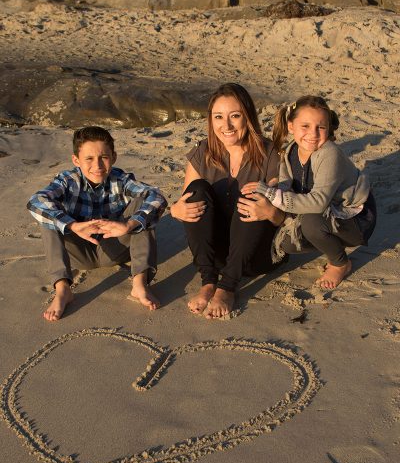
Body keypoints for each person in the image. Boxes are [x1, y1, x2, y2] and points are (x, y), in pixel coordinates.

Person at [27, 126, 167, 321]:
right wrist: (73, 226)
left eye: (104, 157)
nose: (98, 165)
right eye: (89, 159)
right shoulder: (68, 181)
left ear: (114, 157)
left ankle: (140, 284)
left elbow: (156, 195)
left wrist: (128, 225)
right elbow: (35, 201)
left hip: (115, 246)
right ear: (76, 160)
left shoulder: (121, 179)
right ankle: (62, 290)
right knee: (49, 216)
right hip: (78, 251)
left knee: (144, 210)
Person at [240, 95, 377, 289]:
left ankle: (340, 263)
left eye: (320, 127)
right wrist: (269, 193)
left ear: (328, 129)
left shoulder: (330, 153)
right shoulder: (289, 152)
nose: (313, 134)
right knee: (288, 243)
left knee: (312, 222)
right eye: (305, 126)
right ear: (290, 126)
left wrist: (271, 195)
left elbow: (318, 202)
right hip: (324, 212)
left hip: (355, 216)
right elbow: (286, 188)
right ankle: (329, 240)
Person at [170, 83, 282, 319]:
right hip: (218, 256)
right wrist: (176, 210)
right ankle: (209, 281)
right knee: (196, 189)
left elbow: (284, 217)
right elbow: (186, 204)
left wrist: (269, 212)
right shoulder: (204, 151)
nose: (226, 125)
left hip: (256, 254)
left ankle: (227, 288)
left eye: (235, 116)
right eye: (218, 117)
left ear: (248, 117)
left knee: (255, 193)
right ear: (210, 120)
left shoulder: (270, 153)